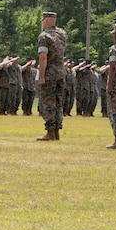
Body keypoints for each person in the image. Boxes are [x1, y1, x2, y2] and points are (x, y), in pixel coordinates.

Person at [36, 11, 67, 141]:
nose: (42, 23)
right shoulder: (62, 34)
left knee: (48, 101)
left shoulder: (44, 36)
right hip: (61, 71)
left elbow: (43, 57)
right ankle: (56, 131)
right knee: (58, 102)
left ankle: (50, 132)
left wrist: (41, 76)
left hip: (50, 72)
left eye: (43, 21)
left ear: (46, 21)